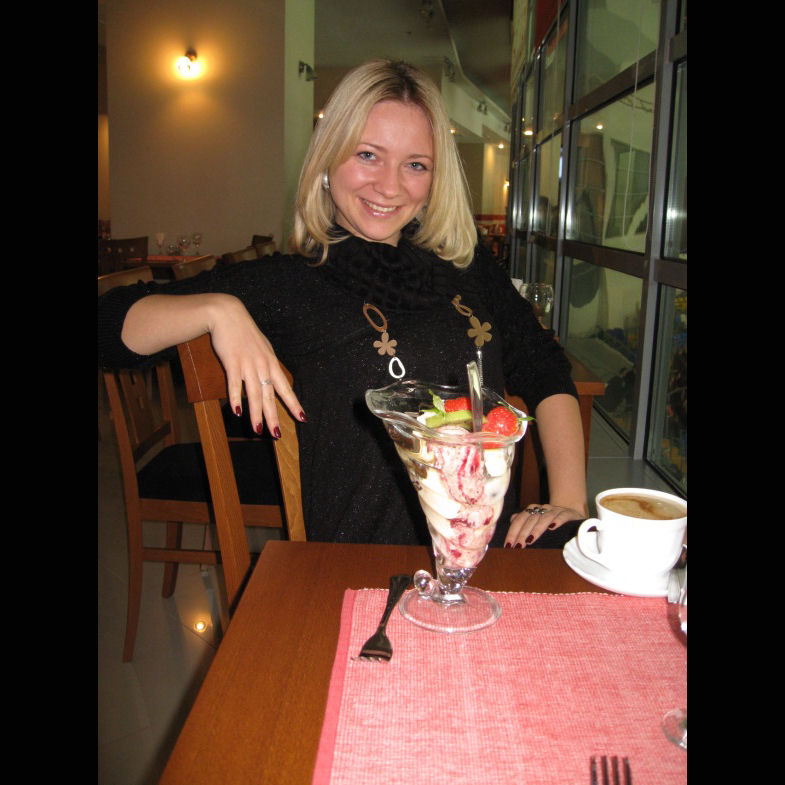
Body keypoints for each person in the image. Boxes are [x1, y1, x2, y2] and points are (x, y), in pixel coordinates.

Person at [98, 59, 588, 548]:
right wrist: (216, 309)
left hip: (484, 558)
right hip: (362, 565)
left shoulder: (468, 266)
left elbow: (543, 365)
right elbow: (106, 323)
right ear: (327, 163)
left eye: (415, 165)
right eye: (368, 155)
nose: (390, 186)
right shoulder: (294, 284)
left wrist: (568, 501)